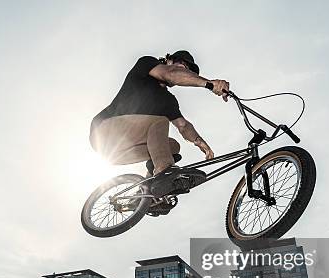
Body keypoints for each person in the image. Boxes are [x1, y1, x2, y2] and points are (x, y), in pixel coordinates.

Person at [90, 50, 230, 200]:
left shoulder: (168, 100)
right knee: (160, 121)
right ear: (168, 60)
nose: (183, 70)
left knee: (173, 147)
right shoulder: (146, 64)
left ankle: (147, 195)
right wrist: (209, 84)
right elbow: (169, 74)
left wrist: (199, 141)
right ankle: (165, 172)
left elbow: (183, 126)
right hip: (104, 132)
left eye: (187, 70)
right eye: (181, 65)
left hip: (119, 153)